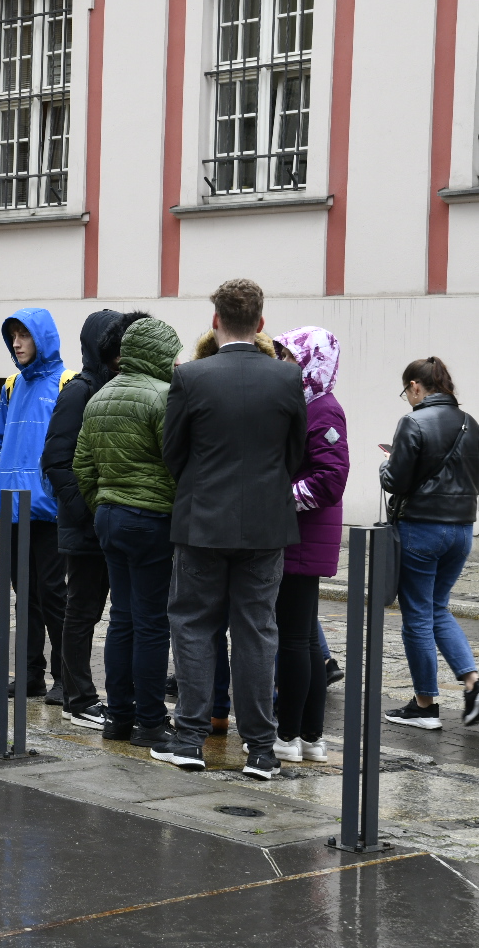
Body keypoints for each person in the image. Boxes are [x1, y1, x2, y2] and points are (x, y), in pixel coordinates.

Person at [154, 279, 306, 780]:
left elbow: (172, 452)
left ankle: (190, 739)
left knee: (194, 626)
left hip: (202, 520)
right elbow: (294, 456)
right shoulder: (288, 380)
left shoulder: (191, 377)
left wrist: (201, 488)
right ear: (260, 324)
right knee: (258, 632)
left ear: (215, 320)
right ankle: (261, 750)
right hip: (266, 525)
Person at [72, 315, 182, 749]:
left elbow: (83, 464)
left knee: (122, 618)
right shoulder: (164, 397)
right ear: (157, 354)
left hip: (110, 518)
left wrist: (102, 502)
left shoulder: (100, 396)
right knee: (153, 623)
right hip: (152, 520)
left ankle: (118, 717)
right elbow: (177, 463)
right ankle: (151, 723)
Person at [380, 356, 479, 729]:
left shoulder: (414, 421)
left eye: (407, 390)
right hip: (462, 529)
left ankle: (424, 705)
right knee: (438, 608)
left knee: (418, 615)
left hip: (422, 528)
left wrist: (385, 465)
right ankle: (472, 683)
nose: (407, 397)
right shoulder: (472, 424)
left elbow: (396, 481)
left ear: (416, 386)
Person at [267, 327, 349, 761]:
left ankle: (289, 734)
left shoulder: (323, 410)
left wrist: (281, 500)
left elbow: (331, 478)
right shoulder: (308, 404)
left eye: (287, 355)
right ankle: (311, 736)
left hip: (300, 536)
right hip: (300, 535)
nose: (281, 362)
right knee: (305, 640)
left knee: (294, 640)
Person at [41, 309, 122, 729]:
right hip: (86, 524)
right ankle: (78, 697)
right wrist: (85, 507)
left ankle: (104, 696)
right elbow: (56, 459)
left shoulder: (118, 386)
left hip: (113, 520)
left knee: (111, 612)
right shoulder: (79, 391)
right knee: (82, 610)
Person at [0, 308, 72, 702]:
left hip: (49, 510)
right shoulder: (10, 386)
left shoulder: (65, 383)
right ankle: (29, 674)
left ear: (42, 338)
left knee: (54, 594)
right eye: (14, 337)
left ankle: (65, 676)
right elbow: (1, 442)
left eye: (24, 336)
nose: (17, 343)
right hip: (13, 507)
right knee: (23, 595)